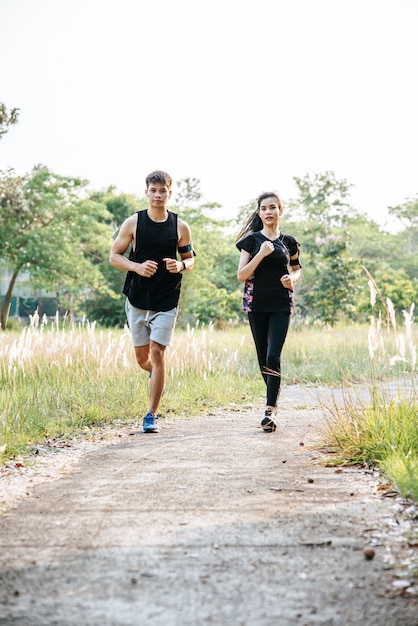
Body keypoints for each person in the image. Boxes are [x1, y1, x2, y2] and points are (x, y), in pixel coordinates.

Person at [109, 170, 194, 433]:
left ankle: (151, 415)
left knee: (158, 353)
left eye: (163, 190)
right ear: (146, 192)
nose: (158, 195)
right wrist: (135, 267)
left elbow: (190, 260)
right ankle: (155, 374)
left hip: (167, 298)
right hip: (137, 298)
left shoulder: (180, 227)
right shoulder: (133, 223)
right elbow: (114, 256)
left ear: (170, 192)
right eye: (153, 190)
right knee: (142, 359)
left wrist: (180, 265)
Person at [236, 192, 301, 432]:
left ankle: (270, 410)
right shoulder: (251, 241)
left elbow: (297, 269)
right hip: (256, 305)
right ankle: (273, 397)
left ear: (280, 210)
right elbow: (241, 275)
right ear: (259, 213)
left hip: (281, 304)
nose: (269, 212)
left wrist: (291, 278)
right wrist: (261, 254)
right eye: (264, 208)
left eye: (273, 207)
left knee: (274, 355)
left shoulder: (289, 242)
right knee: (263, 357)